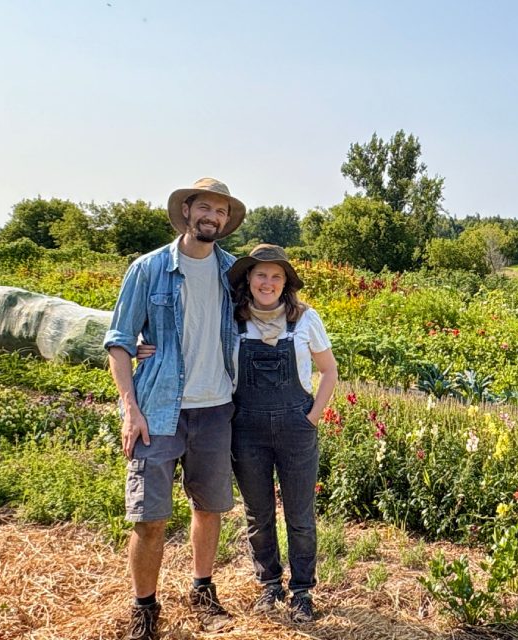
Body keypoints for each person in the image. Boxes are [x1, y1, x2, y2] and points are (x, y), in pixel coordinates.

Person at [138, 243, 338, 623]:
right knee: (258, 514)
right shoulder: (232, 319)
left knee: (300, 515)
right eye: (261, 274)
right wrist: (144, 344)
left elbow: (329, 371)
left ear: (286, 283)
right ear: (249, 279)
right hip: (246, 429)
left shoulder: (305, 319)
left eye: (276, 276)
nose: (268, 282)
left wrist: (312, 417)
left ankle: (301, 591)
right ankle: (269, 585)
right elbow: (190, 333)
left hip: (296, 430)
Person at [104, 177, 245, 640]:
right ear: (186, 211)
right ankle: (144, 610)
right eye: (205, 207)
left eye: (221, 211)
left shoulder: (233, 274)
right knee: (150, 517)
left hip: (216, 408)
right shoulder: (148, 269)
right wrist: (130, 408)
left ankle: (202, 592)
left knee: (210, 508)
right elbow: (119, 342)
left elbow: (269, 309)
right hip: (159, 411)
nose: (212, 217)